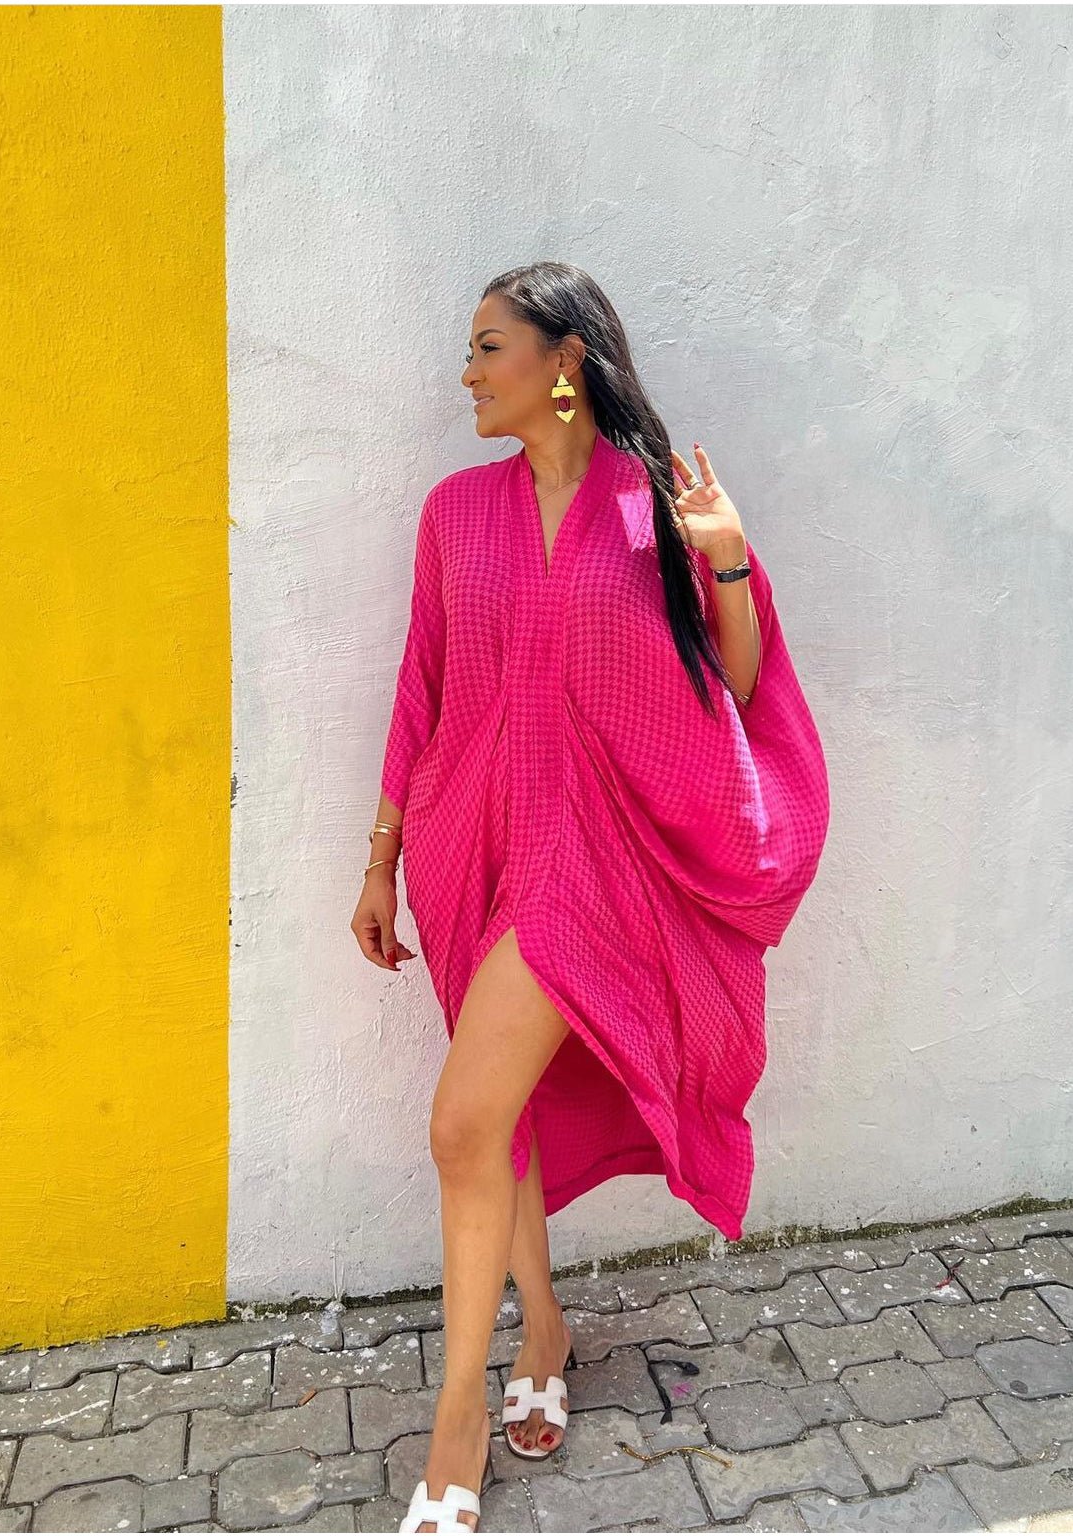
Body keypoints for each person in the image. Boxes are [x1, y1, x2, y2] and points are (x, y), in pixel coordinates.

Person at [350, 261, 830, 1533]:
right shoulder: (457, 513)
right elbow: (424, 681)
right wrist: (384, 854)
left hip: (602, 866)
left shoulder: (658, 509)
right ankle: (543, 1332)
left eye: (487, 346)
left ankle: (456, 1423)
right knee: (493, 1117)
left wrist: (724, 561)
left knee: (461, 1123)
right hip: (476, 848)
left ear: (563, 360)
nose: (466, 372)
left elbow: (740, 678)